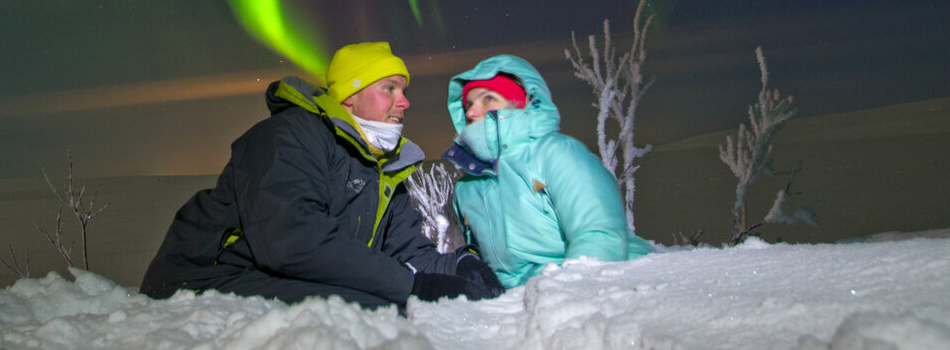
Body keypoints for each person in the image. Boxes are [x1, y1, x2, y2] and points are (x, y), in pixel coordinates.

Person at [140, 41, 504, 308]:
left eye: (404, 90)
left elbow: (408, 251)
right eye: (389, 88)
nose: (405, 101)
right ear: (351, 95)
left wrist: (461, 263)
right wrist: (413, 285)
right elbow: (292, 238)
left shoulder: (384, 168)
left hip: (274, 277)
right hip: (204, 278)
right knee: (374, 311)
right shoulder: (290, 136)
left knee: (388, 306)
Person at [444, 54, 654, 289]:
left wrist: (564, 298)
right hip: (523, 301)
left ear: (520, 104)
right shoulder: (466, 187)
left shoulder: (557, 154)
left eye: (489, 99)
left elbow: (599, 236)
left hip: (610, 287)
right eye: (468, 105)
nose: (472, 113)